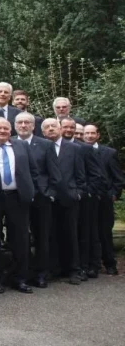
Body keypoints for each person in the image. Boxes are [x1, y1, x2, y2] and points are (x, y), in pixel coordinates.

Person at [0, 117, 38, 293]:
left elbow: (33, 171)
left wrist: (32, 192)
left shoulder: (21, 146)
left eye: (5, 128)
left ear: (11, 130)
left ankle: (20, 278)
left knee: (20, 238)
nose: (2, 131)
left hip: (17, 197)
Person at [15, 114, 60, 288]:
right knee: (19, 237)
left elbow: (54, 173)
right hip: (18, 199)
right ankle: (21, 274)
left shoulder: (45, 145)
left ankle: (41, 273)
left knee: (42, 237)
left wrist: (49, 193)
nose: (23, 125)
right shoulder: (10, 142)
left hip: (41, 199)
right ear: (15, 125)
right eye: (20, 122)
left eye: (27, 123)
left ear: (33, 126)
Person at [60, 117, 105, 280]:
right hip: (61, 199)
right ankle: (65, 266)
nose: (69, 130)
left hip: (83, 199)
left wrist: (84, 193)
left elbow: (96, 174)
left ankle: (84, 267)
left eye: (72, 127)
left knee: (85, 233)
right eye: (65, 127)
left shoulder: (84, 148)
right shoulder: (51, 146)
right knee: (66, 233)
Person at [45, 118, 86, 284]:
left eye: (54, 126)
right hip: (47, 199)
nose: (51, 129)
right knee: (50, 235)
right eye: (47, 127)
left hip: (69, 198)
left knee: (71, 235)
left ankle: (74, 270)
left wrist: (77, 193)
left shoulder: (75, 148)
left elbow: (81, 174)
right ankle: (54, 269)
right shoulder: (39, 147)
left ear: (60, 129)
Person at [83, 124, 125, 275]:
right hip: (87, 199)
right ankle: (92, 264)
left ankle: (110, 263)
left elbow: (118, 178)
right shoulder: (79, 151)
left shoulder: (109, 153)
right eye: (86, 133)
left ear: (98, 135)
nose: (89, 136)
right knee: (89, 231)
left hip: (105, 199)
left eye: (92, 133)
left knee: (105, 232)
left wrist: (113, 194)